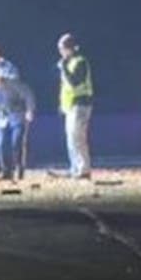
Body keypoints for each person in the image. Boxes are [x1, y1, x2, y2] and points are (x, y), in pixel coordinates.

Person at [0, 70, 36, 179]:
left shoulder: (12, 83)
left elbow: (28, 94)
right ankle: (7, 171)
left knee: (16, 143)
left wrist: (30, 110)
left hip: (17, 116)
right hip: (1, 119)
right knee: (2, 144)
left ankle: (20, 168)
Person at [56, 32, 93, 179]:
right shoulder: (70, 62)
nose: (60, 52)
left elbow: (75, 83)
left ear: (69, 48)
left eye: (62, 48)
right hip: (71, 105)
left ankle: (84, 169)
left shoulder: (80, 62)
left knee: (77, 137)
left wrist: (64, 67)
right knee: (70, 138)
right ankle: (75, 168)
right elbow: (65, 88)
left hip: (81, 103)